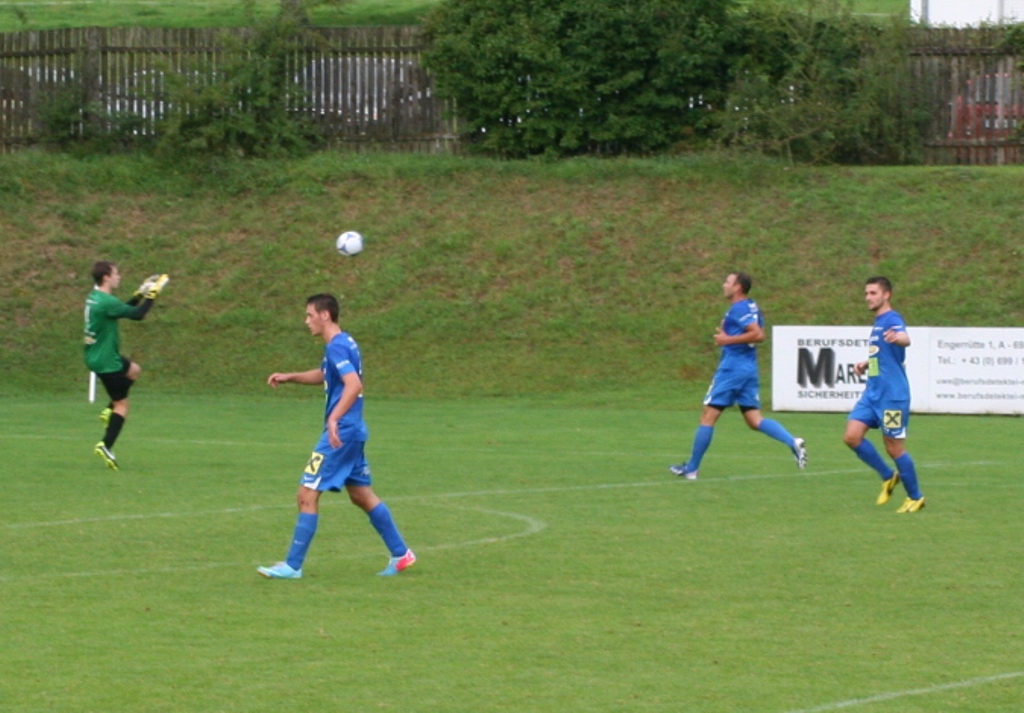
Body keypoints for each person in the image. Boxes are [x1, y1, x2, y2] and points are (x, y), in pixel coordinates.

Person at [258, 293, 415, 579]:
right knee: (361, 494)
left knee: (306, 493)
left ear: (325, 315)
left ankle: (292, 566)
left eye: (309, 315)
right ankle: (401, 552)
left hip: (340, 433)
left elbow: (353, 385)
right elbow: (326, 374)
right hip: (353, 431)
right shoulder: (345, 343)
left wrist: (334, 418)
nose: (306, 321)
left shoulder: (337, 347)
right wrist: (290, 377)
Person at [670, 272, 807, 480]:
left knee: (708, 416)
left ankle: (692, 468)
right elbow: (757, 332)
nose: (724, 285)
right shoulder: (751, 306)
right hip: (748, 368)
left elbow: (758, 334)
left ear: (738, 287)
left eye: (728, 282)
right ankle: (792, 442)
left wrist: (727, 340)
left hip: (733, 369)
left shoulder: (739, 308)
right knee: (754, 419)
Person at [843, 276, 925, 513]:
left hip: (892, 397)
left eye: (873, 293)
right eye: (866, 293)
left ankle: (915, 497)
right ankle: (888, 476)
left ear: (886, 295)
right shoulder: (878, 322)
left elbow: (905, 338)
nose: (868, 297)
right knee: (851, 436)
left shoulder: (892, 319)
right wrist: (867, 363)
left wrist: (899, 338)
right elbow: (884, 356)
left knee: (894, 447)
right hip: (873, 394)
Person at [84, 262, 169, 470]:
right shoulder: (106, 301)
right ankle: (106, 445)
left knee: (134, 370)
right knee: (122, 405)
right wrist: (152, 295)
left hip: (97, 355)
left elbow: (121, 309)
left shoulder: (96, 297)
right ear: (106, 277)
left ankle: (109, 410)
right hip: (106, 361)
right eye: (116, 273)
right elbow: (138, 315)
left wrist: (139, 294)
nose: (119, 277)